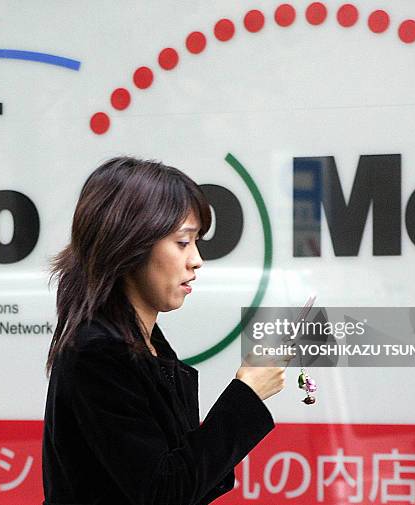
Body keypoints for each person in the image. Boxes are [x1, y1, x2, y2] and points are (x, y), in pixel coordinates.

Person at [42, 156, 286, 505]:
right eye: (183, 242)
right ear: (130, 244)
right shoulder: (98, 353)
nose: (197, 260)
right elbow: (164, 492)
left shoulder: (145, 345)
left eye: (196, 242)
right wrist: (246, 394)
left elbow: (186, 477)